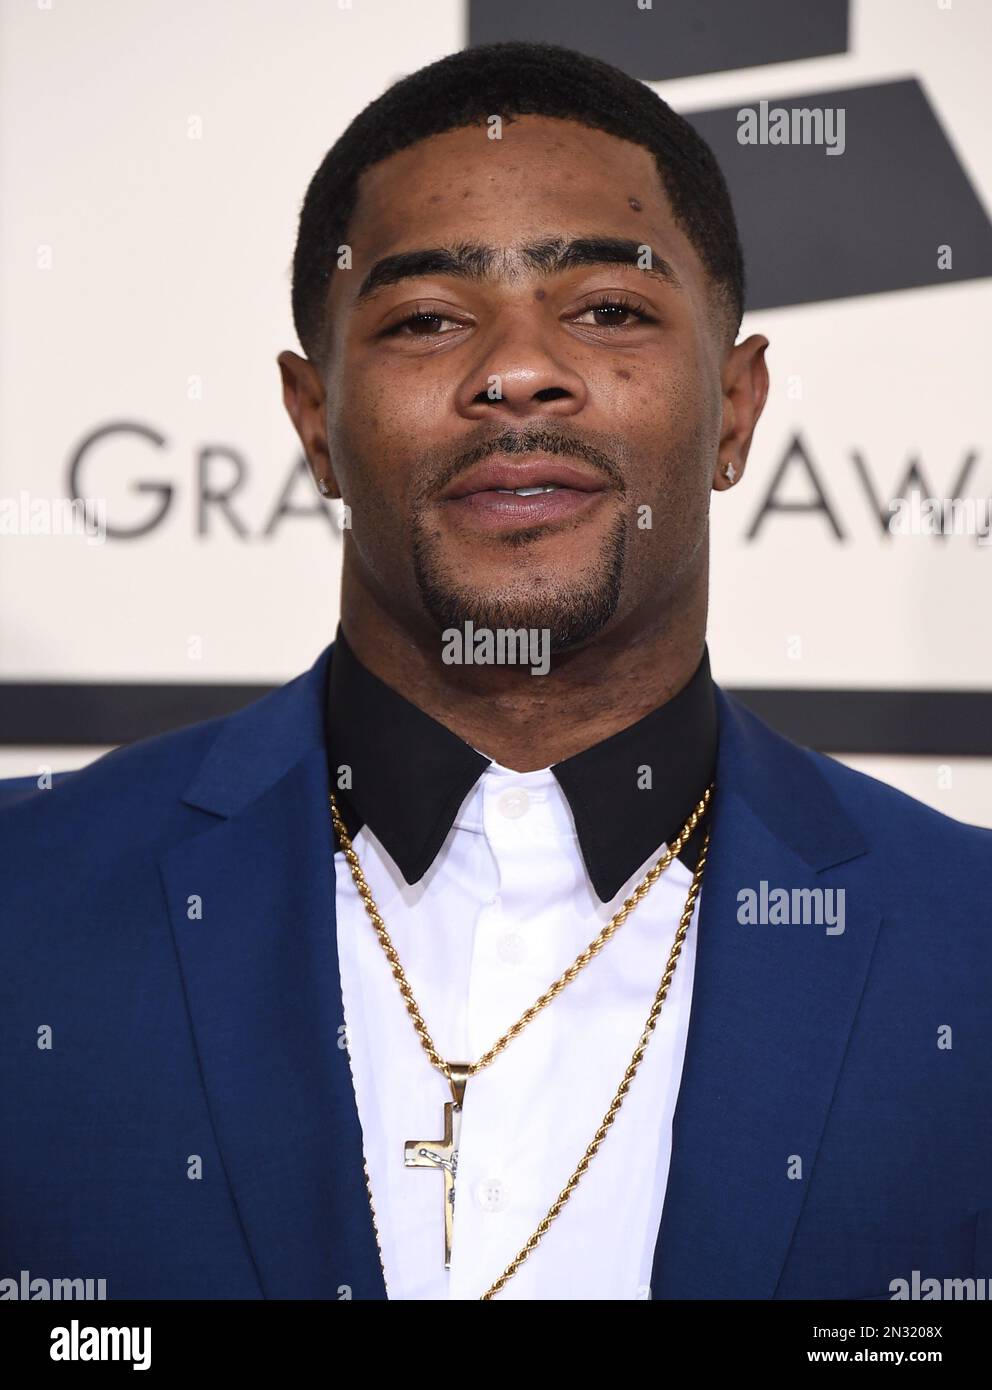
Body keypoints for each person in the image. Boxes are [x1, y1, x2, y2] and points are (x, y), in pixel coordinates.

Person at [1, 40, 990, 1303]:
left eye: (608, 309)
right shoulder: (21, 904)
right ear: (315, 424)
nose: (518, 371)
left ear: (734, 410)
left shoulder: (967, 947)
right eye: (426, 319)